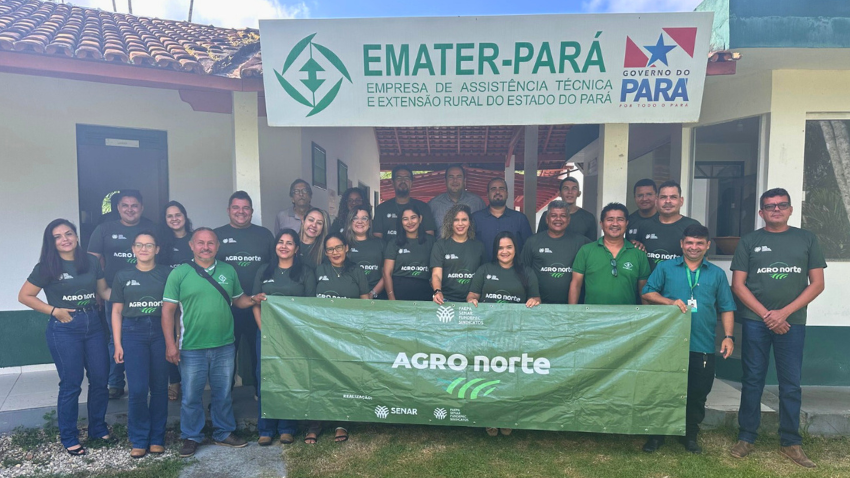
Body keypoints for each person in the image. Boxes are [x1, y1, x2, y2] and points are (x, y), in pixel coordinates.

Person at [728, 188, 826, 468]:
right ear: (761, 212)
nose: (776, 209)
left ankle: (791, 442)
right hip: (755, 321)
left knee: (790, 384)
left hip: (792, 322)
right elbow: (738, 285)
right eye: (770, 206)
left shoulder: (807, 239)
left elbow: (817, 284)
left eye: (782, 205)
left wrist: (783, 313)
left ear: (791, 209)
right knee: (752, 380)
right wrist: (767, 315)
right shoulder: (750, 241)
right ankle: (746, 437)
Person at [18, 219, 112, 456]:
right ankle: (69, 436)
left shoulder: (91, 261)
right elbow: (25, 295)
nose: (65, 239)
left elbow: (103, 291)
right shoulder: (46, 267)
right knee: (71, 384)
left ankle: (98, 428)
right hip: (64, 327)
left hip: (94, 324)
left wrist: (131, 296)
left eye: (68, 233)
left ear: (76, 236)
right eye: (57, 237)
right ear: (51, 242)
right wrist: (54, 311)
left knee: (100, 380)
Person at [641, 224, 736, 454]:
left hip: (702, 343)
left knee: (697, 393)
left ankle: (689, 435)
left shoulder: (717, 274)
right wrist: (670, 302)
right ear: (682, 244)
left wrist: (728, 337)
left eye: (699, 243)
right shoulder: (666, 268)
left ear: (707, 245)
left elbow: (726, 307)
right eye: (690, 243)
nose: (694, 247)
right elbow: (647, 292)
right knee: (663, 390)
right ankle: (657, 435)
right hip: (668, 343)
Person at [162, 228, 255, 457]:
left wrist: (255, 299)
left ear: (218, 246)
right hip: (191, 347)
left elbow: (239, 300)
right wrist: (171, 345)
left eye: (210, 243)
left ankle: (224, 432)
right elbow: (168, 311)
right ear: (191, 245)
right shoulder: (179, 273)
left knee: (222, 393)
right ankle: (191, 436)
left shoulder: (228, 270)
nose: (206, 247)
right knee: (191, 396)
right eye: (201, 243)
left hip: (224, 345)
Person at [467, 231, 540, 437]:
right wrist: (472, 300)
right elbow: (472, 295)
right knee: (488, 376)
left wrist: (534, 301)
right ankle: (490, 417)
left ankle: (508, 417)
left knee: (511, 376)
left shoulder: (526, 272)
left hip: (514, 333)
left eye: (509, 247)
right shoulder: (485, 269)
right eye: (500, 248)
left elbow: (536, 298)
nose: (505, 251)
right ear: (495, 250)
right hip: (487, 333)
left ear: (516, 249)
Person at [251, 229, 316, 446]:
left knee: (290, 377)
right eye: (281, 242)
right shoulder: (264, 270)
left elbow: (310, 306)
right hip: (266, 333)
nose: (284, 246)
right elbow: (255, 302)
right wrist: (264, 330)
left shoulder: (305, 272)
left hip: (293, 334)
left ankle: (287, 428)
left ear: (296, 248)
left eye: (289, 243)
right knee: (266, 377)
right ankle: (266, 428)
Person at [87, 189, 154, 399]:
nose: (130, 209)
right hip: (112, 293)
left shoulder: (152, 228)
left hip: (148, 293)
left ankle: (147, 380)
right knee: (115, 337)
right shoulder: (104, 229)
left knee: (149, 336)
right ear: (118, 208)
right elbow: (92, 262)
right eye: (125, 205)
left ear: (141, 207)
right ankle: (115, 382)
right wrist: (97, 291)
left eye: (134, 205)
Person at [110, 231, 171, 458]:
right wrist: (117, 343)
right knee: (137, 390)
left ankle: (157, 438)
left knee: (159, 388)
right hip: (132, 332)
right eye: (139, 245)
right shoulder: (122, 275)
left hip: (160, 330)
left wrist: (174, 339)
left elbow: (174, 310)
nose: (144, 249)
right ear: (133, 249)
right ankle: (139, 439)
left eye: (149, 245)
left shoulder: (167, 273)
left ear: (157, 249)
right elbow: (116, 311)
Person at [312, 233, 371, 444]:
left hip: (348, 334)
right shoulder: (318, 271)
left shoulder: (357, 271)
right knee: (320, 377)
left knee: (343, 377)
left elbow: (365, 305)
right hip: (321, 334)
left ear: (346, 248)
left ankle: (341, 423)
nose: (335, 252)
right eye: (330, 249)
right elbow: (307, 303)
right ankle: (315, 423)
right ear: (325, 252)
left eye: (338, 247)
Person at [214, 191, 275, 396]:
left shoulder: (264, 235)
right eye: (236, 207)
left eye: (245, 208)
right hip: (226, 307)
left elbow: (274, 266)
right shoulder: (217, 235)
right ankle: (223, 397)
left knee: (260, 351)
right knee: (225, 355)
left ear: (252, 211)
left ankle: (262, 394)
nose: (241, 212)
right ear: (228, 210)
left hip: (258, 305)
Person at [569, 203, 651, 305]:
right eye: (610, 219)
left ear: (626, 223)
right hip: (592, 314)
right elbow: (576, 285)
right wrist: (572, 312)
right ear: (601, 224)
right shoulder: (586, 251)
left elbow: (644, 291)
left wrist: (646, 314)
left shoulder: (638, 253)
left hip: (627, 314)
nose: (615, 224)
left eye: (620, 219)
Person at [157, 200, 194, 401]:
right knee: (171, 338)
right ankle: (174, 381)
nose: (174, 219)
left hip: (192, 297)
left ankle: (190, 381)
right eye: (169, 216)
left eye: (178, 214)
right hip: (169, 297)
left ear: (185, 216)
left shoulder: (194, 240)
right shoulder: (161, 243)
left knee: (188, 337)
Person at [520, 200, 590, 304]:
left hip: (572, 306)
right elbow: (522, 272)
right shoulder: (532, 242)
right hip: (537, 305)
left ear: (568, 219)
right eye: (553, 215)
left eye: (563, 216)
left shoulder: (582, 243)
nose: (558, 219)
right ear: (547, 219)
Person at [635, 180, 701, 271]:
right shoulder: (644, 226)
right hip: (650, 280)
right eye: (663, 197)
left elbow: (702, 260)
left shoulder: (692, 226)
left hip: (680, 280)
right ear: (656, 201)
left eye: (673, 197)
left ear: (681, 201)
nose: (668, 201)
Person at [431, 204, 487, 305]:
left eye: (464, 220)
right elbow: (436, 274)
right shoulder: (440, 245)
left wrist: (474, 297)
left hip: (472, 302)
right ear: (450, 222)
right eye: (456, 220)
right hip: (445, 300)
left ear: (469, 222)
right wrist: (437, 291)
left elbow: (482, 277)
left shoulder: (479, 246)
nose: (460, 224)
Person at [383, 204, 436, 301]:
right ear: (401, 222)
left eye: (413, 217)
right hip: (399, 292)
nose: (410, 222)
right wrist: (391, 298)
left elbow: (437, 270)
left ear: (420, 219)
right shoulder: (394, 243)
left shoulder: (431, 241)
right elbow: (387, 273)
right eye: (405, 219)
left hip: (425, 292)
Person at [472, 177, 533, 259]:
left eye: (501, 189)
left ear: (507, 194)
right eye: (493, 189)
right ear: (487, 194)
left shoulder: (520, 219)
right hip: (483, 267)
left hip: (514, 267)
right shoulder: (475, 219)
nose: (497, 192)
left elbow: (529, 249)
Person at [373, 165, 437, 242]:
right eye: (399, 178)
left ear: (411, 182)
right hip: (388, 249)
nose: (403, 181)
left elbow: (430, 238)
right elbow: (377, 240)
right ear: (392, 182)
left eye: (406, 178)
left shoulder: (423, 207)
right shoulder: (382, 209)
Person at [428, 164, 486, 230]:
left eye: (459, 177)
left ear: (464, 181)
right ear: (445, 181)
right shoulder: (433, 204)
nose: (455, 180)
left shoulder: (477, 202)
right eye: (451, 177)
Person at [345, 206, 385, 299]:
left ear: (369, 222)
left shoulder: (380, 243)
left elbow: (386, 273)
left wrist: (373, 293)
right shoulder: (343, 243)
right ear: (350, 222)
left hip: (376, 296)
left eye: (364, 218)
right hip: (350, 296)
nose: (360, 221)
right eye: (355, 218)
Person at [627, 178, 658, 243]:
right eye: (640, 195)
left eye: (649, 194)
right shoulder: (629, 221)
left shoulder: (664, 220)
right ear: (635, 197)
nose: (644, 199)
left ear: (656, 196)